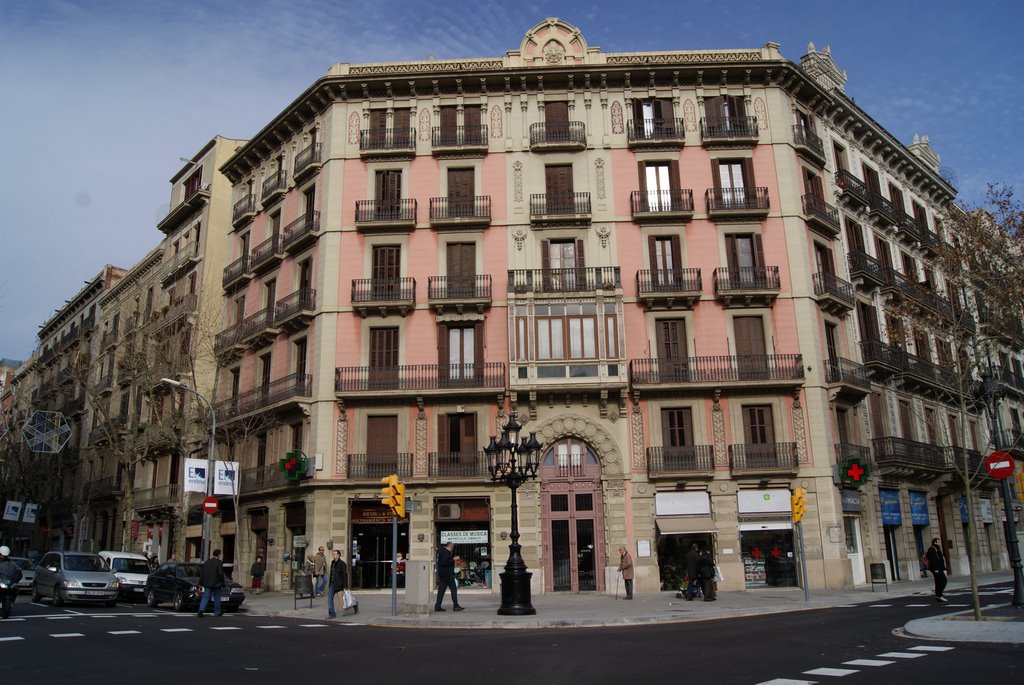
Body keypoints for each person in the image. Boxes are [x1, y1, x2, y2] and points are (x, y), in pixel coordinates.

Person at [327, 549, 357, 618]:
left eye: (334, 554)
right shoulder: (332, 563)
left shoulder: (342, 564)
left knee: (344, 601)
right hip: (332, 583)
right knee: (329, 598)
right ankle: (331, 613)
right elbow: (331, 574)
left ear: (338, 555)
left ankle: (354, 605)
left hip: (339, 584)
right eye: (332, 554)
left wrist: (345, 585)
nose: (333, 555)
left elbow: (344, 575)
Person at [434, 541, 463, 611]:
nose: (452, 548)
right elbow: (444, 563)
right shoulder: (444, 552)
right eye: (452, 547)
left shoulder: (443, 551)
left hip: (444, 575)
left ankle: (438, 606)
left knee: (441, 591)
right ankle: (456, 606)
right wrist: (453, 559)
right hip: (448, 575)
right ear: (449, 546)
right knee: (453, 590)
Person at [197, 549, 226, 617]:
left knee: (205, 597)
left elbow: (203, 573)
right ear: (219, 555)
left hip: (207, 583)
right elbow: (220, 574)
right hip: (216, 583)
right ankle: (217, 612)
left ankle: (201, 611)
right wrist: (223, 583)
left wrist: (200, 583)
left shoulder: (207, 562)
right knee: (217, 597)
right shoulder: (219, 562)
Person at [925, 537, 948, 602]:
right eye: (939, 542)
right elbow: (933, 560)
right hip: (936, 569)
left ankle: (938, 596)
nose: (940, 543)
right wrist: (936, 569)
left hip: (939, 568)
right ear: (935, 542)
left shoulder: (937, 549)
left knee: (938, 581)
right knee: (944, 580)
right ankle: (939, 595)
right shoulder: (932, 549)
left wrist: (943, 567)